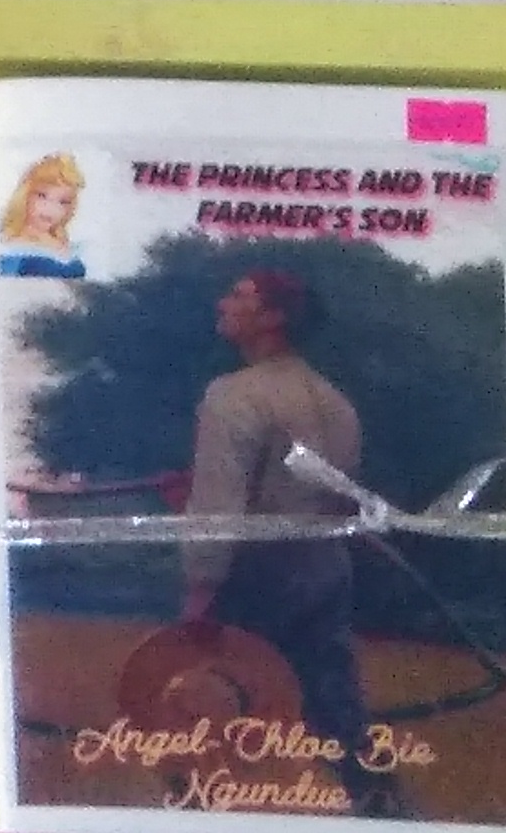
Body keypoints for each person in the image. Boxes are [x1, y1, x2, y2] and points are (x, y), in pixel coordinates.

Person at [183, 268, 390, 811]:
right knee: (336, 710)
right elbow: (335, 497)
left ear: (273, 317)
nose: (223, 303)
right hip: (325, 568)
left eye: (238, 296)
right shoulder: (335, 401)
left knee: (213, 716)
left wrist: (202, 586)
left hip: (256, 575)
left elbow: (219, 501)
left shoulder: (232, 395)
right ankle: (382, 806)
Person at [0, 154, 89, 278]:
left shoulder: (68, 246)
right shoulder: (10, 245)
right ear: (25, 194)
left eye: (63, 202)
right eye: (42, 196)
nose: (51, 208)